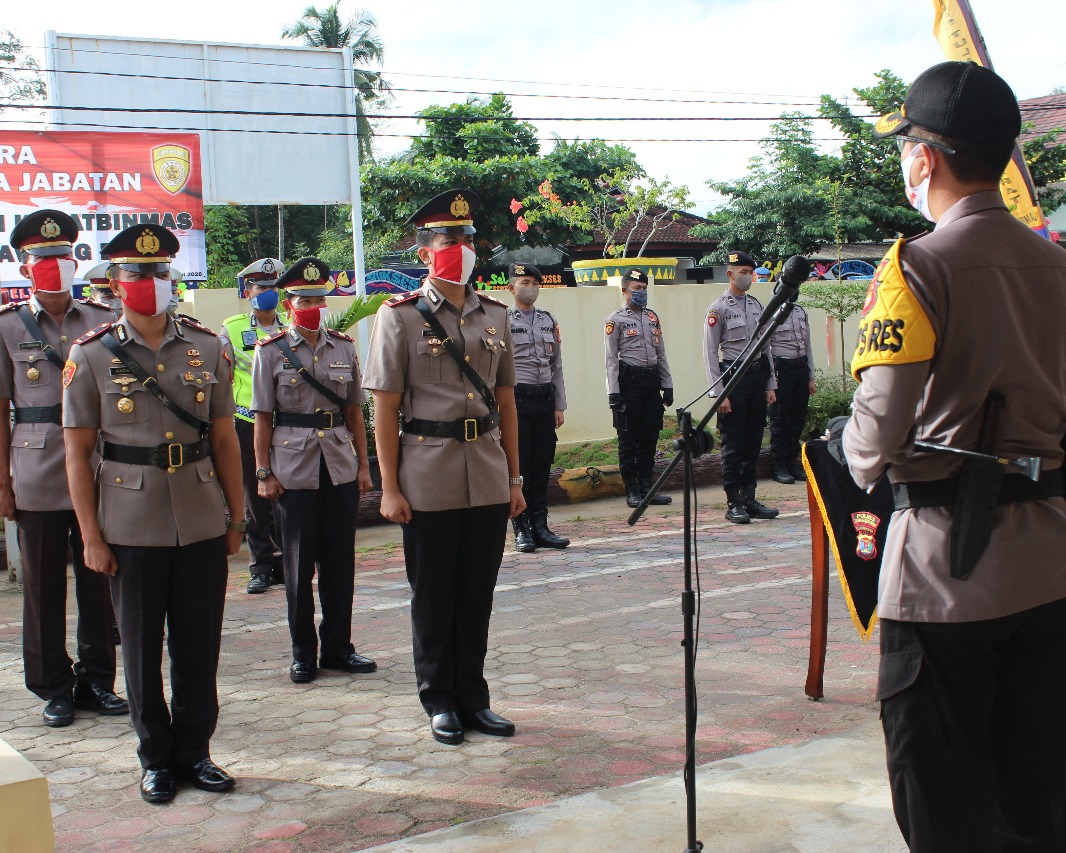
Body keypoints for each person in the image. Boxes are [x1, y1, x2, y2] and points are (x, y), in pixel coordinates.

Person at [842, 61, 1066, 851]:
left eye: (906, 145)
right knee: (1036, 805)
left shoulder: (916, 267)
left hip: (945, 581)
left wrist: (851, 443)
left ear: (925, 157)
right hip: (1050, 566)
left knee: (945, 810)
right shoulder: (1058, 266)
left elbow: (873, 440)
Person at [63, 222, 244, 804]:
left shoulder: (207, 346)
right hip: (130, 521)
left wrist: (236, 518)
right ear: (115, 282)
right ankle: (156, 759)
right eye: (138, 273)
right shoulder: (90, 354)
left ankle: (196, 751)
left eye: (160, 271)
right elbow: (78, 452)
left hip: (199, 515)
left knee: (198, 644)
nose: (150, 281)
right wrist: (90, 536)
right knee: (140, 650)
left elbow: (225, 440)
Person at [362, 188, 524, 746]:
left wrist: (515, 479)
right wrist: (389, 487)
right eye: (448, 239)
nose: (461, 247)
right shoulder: (399, 318)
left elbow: (507, 404)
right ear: (424, 251)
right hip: (426, 474)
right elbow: (384, 408)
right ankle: (439, 700)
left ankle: (474, 697)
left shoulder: (495, 315)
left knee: (477, 594)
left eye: (467, 238)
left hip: (486, 470)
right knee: (433, 595)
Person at [0, 209, 125, 728]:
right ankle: (52, 685)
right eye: (43, 258)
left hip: (97, 466)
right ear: (24, 267)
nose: (55, 265)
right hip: (37, 470)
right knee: (43, 585)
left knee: (99, 579)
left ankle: (97, 680)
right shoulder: (7, 326)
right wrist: (2, 484)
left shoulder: (101, 319)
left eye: (62, 256)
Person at [250, 257, 376, 685]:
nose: (313, 307)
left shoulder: (343, 347)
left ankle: (339, 647)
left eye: (319, 299)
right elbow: (262, 417)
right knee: (298, 567)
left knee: (340, 564)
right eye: (304, 300)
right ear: (288, 304)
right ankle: (303, 653)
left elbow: (355, 411)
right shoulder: (270, 351)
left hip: (338, 465)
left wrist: (363, 465)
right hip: (293, 469)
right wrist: (263, 472)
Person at [220, 258, 286, 594]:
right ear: (248, 291)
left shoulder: (292, 324)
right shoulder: (231, 328)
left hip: (286, 424)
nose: (268, 293)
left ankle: (287, 563)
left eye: (273, 287)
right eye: (261, 287)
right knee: (255, 497)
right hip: (247, 422)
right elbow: (222, 377)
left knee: (286, 494)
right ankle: (260, 566)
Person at [703, 250, 779, 524]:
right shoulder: (718, 309)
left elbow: (765, 347)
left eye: (750, 272)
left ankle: (750, 498)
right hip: (733, 379)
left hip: (757, 378)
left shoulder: (757, 306)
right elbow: (710, 353)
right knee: (734, 444)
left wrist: (770, 384)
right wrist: (718, 393)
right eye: (743, 272)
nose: (748, 277)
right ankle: (733, 501)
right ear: (730, 273)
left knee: (753, 442)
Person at [506, 262, 568, 552]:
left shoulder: (548, 320)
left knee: (542, 464)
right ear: (511, 288)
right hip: (516, 400)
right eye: (525, 283)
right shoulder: (503, 320)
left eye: (534, 283)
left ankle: (541, 527)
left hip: (544, 400)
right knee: (520, 466)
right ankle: (521, 528)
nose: (531, 288)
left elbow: (556, 366)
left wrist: (559, 405)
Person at [604, 268, 674, 509]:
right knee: (629, 439)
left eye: (644, 288)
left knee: (649, 438)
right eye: (637, 288)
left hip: (651, 383)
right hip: (629, 384)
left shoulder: (652, 317)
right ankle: (632, 490)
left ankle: (647, 488)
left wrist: (667, 384)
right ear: (625, 290)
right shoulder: (615, 320)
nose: (641, 292)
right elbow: (611, 359)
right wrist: (613, 392)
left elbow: (661, 353)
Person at [768, 300, 815, 484]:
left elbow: (807, 345)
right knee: (781, 419)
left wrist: (811, 377)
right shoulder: (773, 311)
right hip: (782, 369)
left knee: (798, 418)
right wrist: (770, 381)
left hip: (801, 368)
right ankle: (779, 465)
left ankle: (792, 462)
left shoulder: (801, 311)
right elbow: (765, 348)